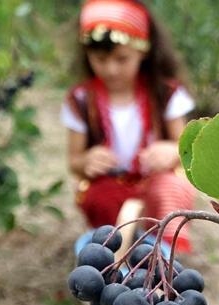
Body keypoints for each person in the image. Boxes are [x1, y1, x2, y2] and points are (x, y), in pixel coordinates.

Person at [61, 0, 196, 257]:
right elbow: (74, 161)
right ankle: (113, 252)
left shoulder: (165, 93)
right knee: (99, 197)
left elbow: (186, 147)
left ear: (143, 51)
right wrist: (86, 160)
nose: (111, 69)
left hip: (154, 180)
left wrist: (171, 150)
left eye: (122, 59)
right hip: (111, 183)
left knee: (170, 188)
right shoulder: (80, 100)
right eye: (100, 59)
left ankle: (162, 254)